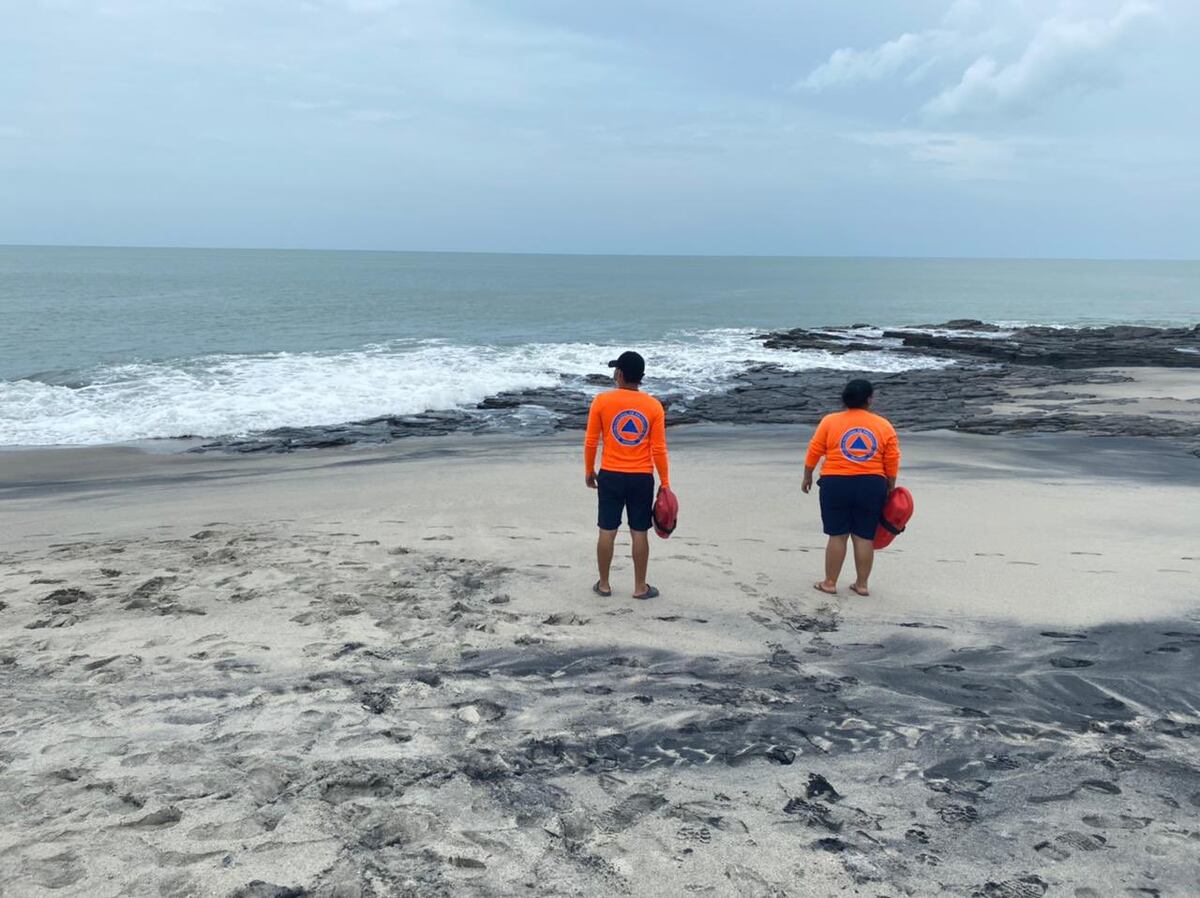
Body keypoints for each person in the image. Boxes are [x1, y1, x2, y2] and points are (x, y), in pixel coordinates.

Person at [801, 378, 900, 597]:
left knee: (837, 535)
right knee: (864, 536)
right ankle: (862, 585)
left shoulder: (830, 421)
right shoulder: (883, 425)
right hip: (872, 484)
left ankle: (829, 582)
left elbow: (815, 449)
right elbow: (892, 459)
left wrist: (807, 475)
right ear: (869, 400)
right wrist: (890, 487)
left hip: (835, 483)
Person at [584, 350, 670, 600]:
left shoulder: (601, 401)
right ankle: (640, 587)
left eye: (615, 370)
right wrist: (665, 482)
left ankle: (604, 584)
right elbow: (659, 449)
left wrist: (589, 470)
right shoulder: (653, 406)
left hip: (610, 474)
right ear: (640, 377)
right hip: (641, 477)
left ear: (620, 374)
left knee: (606, 530)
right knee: (639, 532)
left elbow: (591, 441)